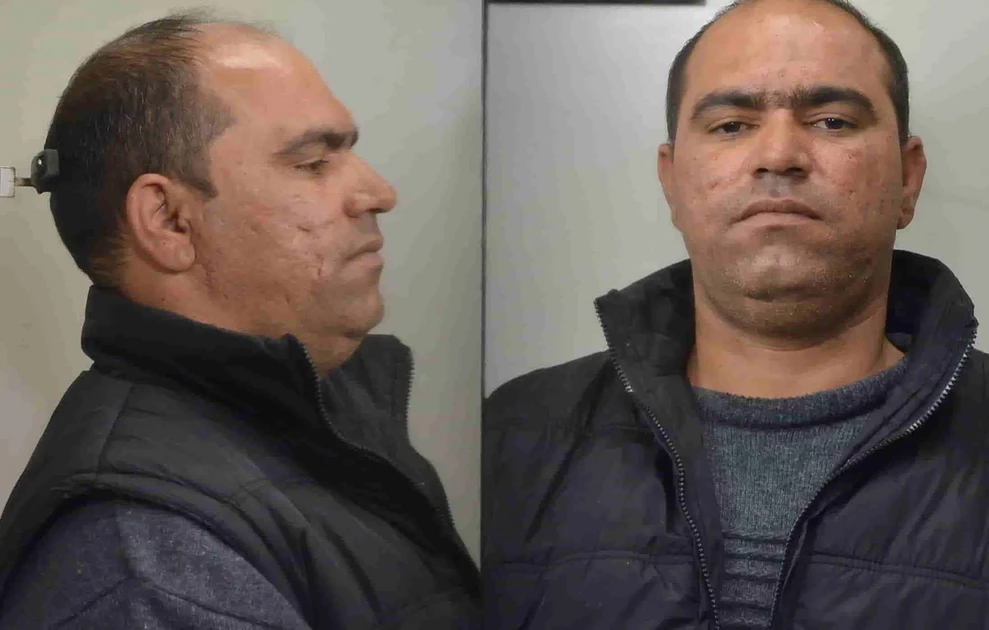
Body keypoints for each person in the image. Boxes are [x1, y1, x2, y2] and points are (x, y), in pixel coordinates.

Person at [483, 0, 989, 628]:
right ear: (671, 181)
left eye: (832, 121)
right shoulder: (511, 434)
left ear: (908, 179)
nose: (778, 155)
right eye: (730, 125)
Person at [0, 12, 479, 630]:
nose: (379, 193)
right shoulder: (149, 565)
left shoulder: (322, 409)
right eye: (312, 162)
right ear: (169, 221)